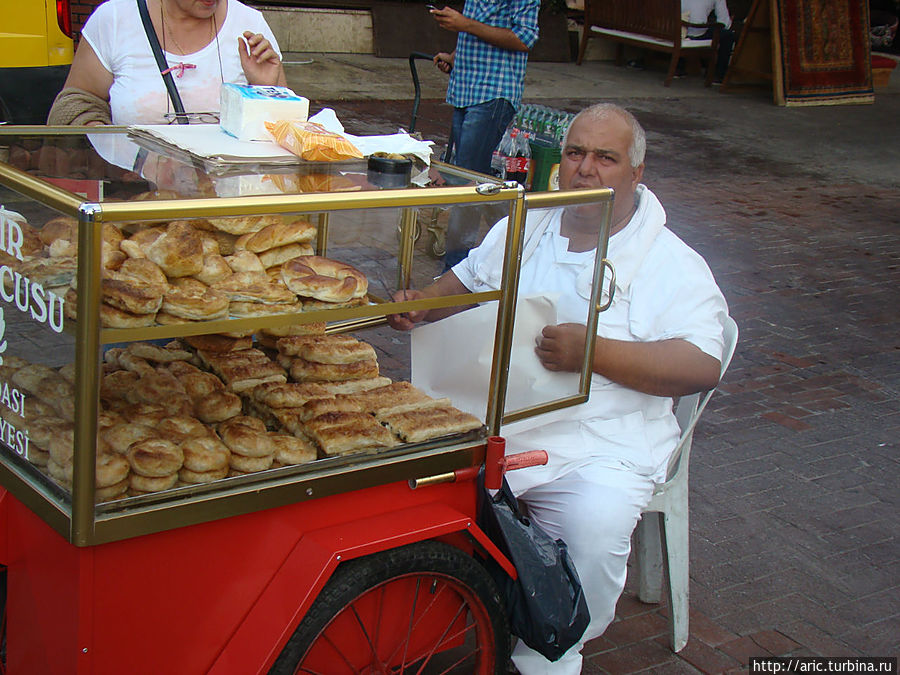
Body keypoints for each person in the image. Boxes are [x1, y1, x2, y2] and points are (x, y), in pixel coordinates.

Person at [388, 103, 730, 674]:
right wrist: (420, 308)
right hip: (501, 423)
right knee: (418, 491)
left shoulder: (670, 261)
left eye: (605, 158)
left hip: (603, 445)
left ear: (635, 173)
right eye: (576, 153)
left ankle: (553, 646)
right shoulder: (529, 224)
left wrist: (593, 354)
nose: (586, 169)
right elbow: (467, 279)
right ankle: (456, 617)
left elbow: (702, 363)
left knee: (591, 528)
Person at [48, 0, 286, 126]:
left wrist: (265, 90)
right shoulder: (113, 19)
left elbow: (287, 132)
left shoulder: (250, 23)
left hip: (226, 208)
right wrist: (124, 152)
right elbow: (72, 108)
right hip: (136, 202)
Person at [429, 0, 540, 269]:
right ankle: (515, 248)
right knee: (473, 180)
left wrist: (463, 24)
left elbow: (524, 38)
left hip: (492, 94)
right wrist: (456, 58)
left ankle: (456, 268)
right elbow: (482, 27)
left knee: (469, 184)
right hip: (468, 91)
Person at [681, 0, 735, 83]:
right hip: (695, 33)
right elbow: (724, 22)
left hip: (670, 32)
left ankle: (678, 67)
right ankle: (718, 74)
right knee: (728, 35)